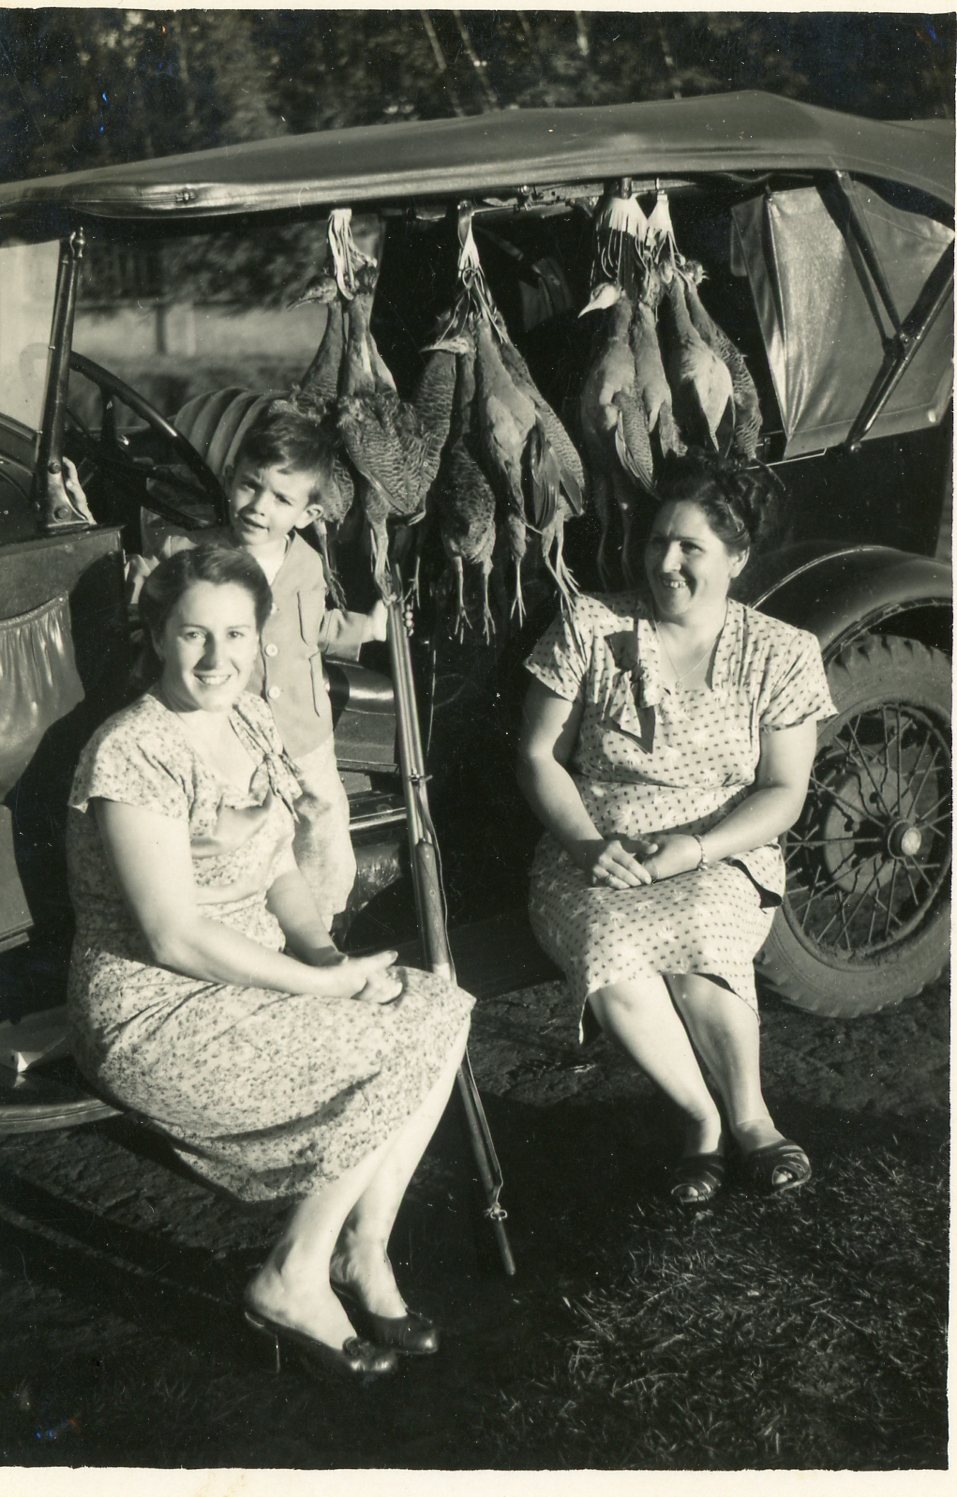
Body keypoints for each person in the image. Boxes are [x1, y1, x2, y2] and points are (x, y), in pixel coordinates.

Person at [66, 543, 473, 1378]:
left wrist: (328, 953)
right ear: (157, 635)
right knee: (391, 1047)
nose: (216, 658)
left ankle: (361, 1249)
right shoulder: (132, 750)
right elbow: (172, 935)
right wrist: (320, 984)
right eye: (193, 635)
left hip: (256, 979)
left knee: (439, 1006)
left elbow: (279, 863)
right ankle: (292, 1275)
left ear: (258, 638)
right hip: (155, 1007)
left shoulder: (249, 716)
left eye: (236, 635)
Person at [517, 452, 835, 1206]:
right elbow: (536, 756)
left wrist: (695, 849)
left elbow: (784, 791)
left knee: (699, 925)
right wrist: (586, 846)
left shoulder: (783, 652)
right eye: (658, 541)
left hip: (719, 849)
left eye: (690, 546)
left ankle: (751, 1118)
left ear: (737, 558)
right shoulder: (591, 625)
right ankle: (700, 1120)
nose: (665, 562)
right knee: (608, 945)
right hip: (593, 852)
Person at [131, 399, 388, 929]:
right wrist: (137, 587)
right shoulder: (195, 555)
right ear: (230, 478)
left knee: (322, 814)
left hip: (303, 728)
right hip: (234, 731)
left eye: (281, 499)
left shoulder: (307, 564)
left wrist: (369, 628)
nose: (258, 506)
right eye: (250, 485)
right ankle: (242, 920)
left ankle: (321, 920)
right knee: (245, 822)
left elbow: (314, 628)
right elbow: (152, 592)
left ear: (308, 515)